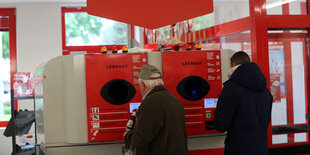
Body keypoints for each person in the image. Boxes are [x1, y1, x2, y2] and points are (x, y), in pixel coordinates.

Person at [213, 51, 273, 155]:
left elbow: (220, 125)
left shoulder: (231, 88)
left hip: (238, 149)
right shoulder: (265, 91)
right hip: (261, 148)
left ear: (233, 64)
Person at [124, 65, 188, 155]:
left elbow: (140, 139)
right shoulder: (174, 99)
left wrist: (128, 135)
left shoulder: (150, 102)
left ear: (142, 84)